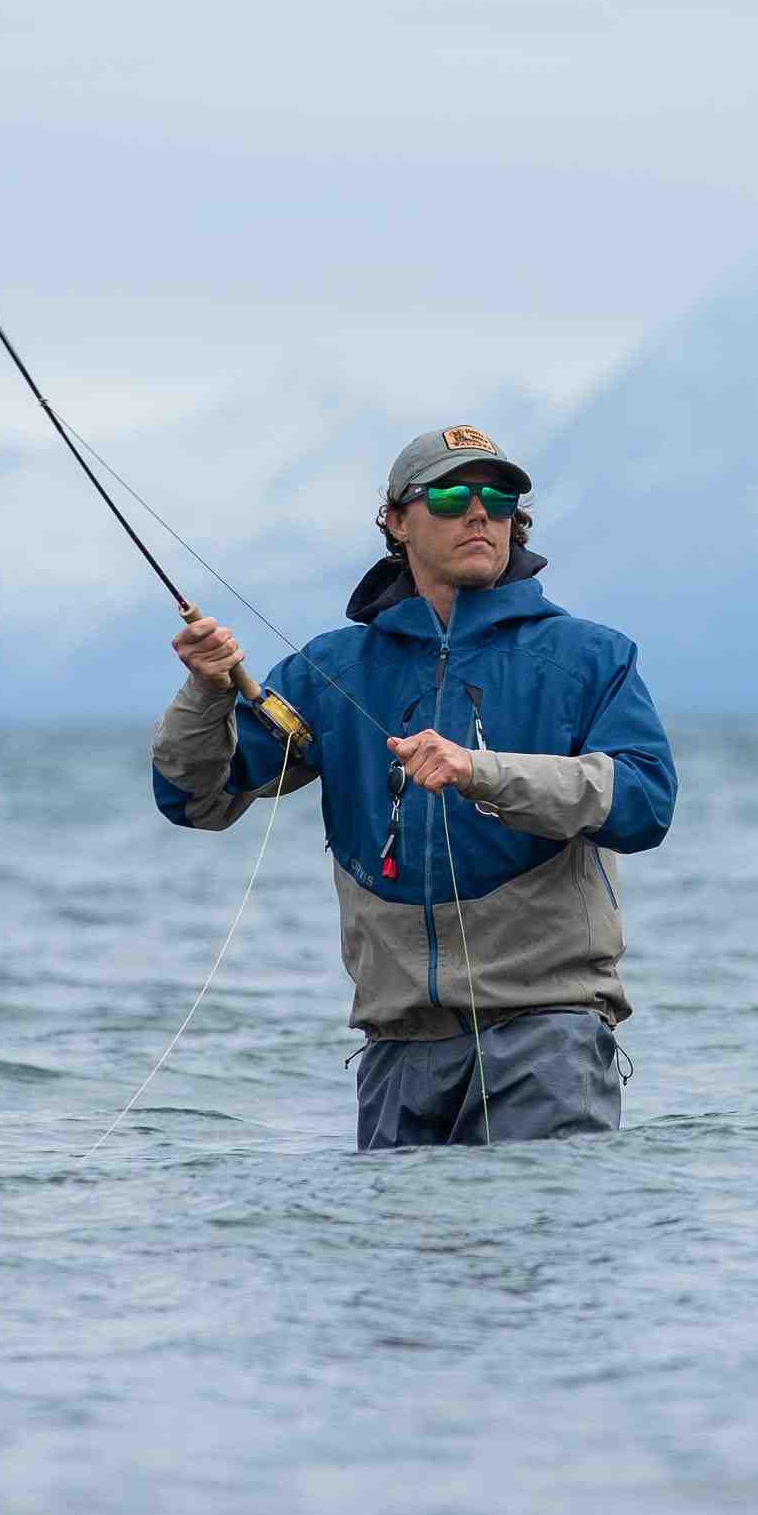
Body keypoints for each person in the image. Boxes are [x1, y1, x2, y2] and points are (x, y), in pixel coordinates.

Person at [150, 424, 678, 1149]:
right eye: (454, 494)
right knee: (397, 1261)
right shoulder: (330, 668)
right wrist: (206, 693)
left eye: (499, 498)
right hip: (396, 1048)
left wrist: (480, 770)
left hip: (548, 1036)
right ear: (397, 520)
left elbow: (647, 802)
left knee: (530, 1254)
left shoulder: (592, 656)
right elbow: (194, 799)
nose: (480, 513)